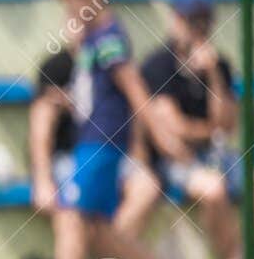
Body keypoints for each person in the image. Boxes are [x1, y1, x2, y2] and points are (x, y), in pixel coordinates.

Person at [16, 0, 207, 259]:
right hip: (94, 138)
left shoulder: (110, 41)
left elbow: (135, 91)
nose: (69, 12)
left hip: (101, 141)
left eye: (72, 2)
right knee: (103, 231)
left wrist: (162, 137)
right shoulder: (91, 40)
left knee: (70, 215)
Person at [136, 0, 254, 259]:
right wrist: (207, 130)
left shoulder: (218, 66)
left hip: (213, 154)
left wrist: (214, 78)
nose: (197, 31)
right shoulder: (158, 65)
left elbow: (226, 123)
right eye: (190, 22)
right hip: (174, 159)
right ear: (175, 23)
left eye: (203, 24)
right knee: (213, 189)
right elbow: (173, 129)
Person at [30, 45, 160, 245]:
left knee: (147, 187)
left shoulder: (115, 65)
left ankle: (114, 257)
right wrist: (42, 181)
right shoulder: (60, 66)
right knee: (77, 217)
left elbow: (135, 109)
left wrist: (139, 155)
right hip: (69, 156)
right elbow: (42, 115)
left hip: (110, 154)